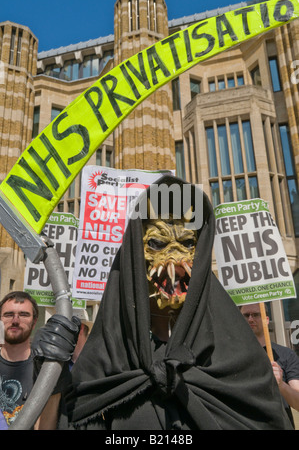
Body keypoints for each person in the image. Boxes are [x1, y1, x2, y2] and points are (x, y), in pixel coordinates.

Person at [31, 175, 292, 430]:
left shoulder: (241, 360)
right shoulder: (105, 363)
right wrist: (52, 379)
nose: (175, 261)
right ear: (135, 256)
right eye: (157, 244)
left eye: (188, 243)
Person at [240, 302, 299, 427]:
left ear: (266, 320)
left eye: (256, 314)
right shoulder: (232, 356)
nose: (250, 319)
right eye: (246, 315)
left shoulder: (286, 355)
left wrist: (281, 385)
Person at [0, 291, 38, 428]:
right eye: (9, 314)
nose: (15, 321)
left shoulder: (45, 369)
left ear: (34, 322)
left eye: (23, 314)